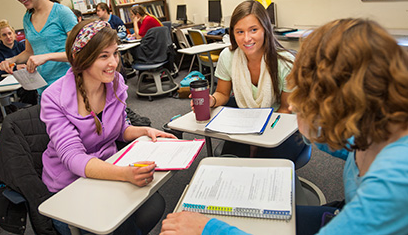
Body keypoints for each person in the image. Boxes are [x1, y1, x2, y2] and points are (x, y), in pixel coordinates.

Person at [161, 18, 408, 235]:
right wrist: (310, 128)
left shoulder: (394, 183)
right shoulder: (381, 130)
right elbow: (348, 145)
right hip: (345, 210)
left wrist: (208, 229)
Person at [41, 20, 177, 235]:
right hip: (70, 188)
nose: (113, 63)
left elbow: (119, 128)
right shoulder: (54, 98)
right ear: (80, 58)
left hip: (109, 172)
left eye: (115, 53)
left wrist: (144, 131)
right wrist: (124, 174)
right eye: (103, 56)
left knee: (153, 206)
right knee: (114, 227)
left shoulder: (115, 83)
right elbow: (72, 158)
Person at [194, 0, 295, 158]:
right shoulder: (228, 57)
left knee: (264, 163)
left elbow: (286, 109)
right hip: (245, 123)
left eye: (253, 30)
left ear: (265, 29)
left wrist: (258, 137)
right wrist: (211, 100)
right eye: (239, 32)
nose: (246, 38)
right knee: (229, 159)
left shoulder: (284, 63)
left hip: (277, 123)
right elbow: (222, 93)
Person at [0, 0, 77, 95]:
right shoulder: (27, 18)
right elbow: (29, 52)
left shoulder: (62, 13)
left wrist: (46, 57)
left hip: (69, 88)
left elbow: (79, 54)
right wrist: (12, 60)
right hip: (44, 91)